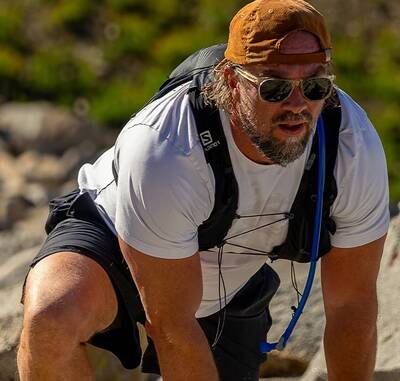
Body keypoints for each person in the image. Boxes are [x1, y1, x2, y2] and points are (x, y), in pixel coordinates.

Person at [17, 0, 389, 380]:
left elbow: (352, 307)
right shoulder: (168, 148)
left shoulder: (351, 145)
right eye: (274, 87)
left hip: (228, 285)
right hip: (116, 244)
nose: (297, 105)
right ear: (230, 81)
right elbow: (171, 323)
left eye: (314, 86)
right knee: (51, 319)